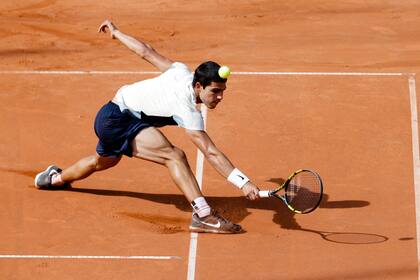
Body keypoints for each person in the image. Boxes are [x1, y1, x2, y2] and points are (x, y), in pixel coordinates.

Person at [34, 19, 260, 234]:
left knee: (102, 161)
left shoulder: (181, 71)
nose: (220, 97)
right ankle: (203, 215)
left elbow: (146, 51)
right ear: (199, 85)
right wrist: (243, 182)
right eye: (215, 91)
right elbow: (210, 151)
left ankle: (54, 178)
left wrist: (116, 33)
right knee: (175, 156)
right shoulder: (186, 108)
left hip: (112, 115)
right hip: (119, 119)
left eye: (222, 91)